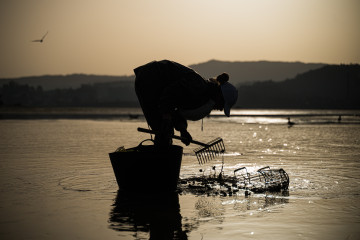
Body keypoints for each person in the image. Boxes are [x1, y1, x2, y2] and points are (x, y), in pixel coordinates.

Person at [134, 60, 238, 148]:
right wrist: (166, 116)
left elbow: (176, 110)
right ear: (219, 95)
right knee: (163, 130)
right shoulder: (198, 86)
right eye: (222, 105)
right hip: (150, 78)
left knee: (164, 131)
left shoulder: (202, 95)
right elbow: (170, 93)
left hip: (152, 81)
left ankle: (161, 164)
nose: (220, 109)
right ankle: (160, 167)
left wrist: (183, 130)